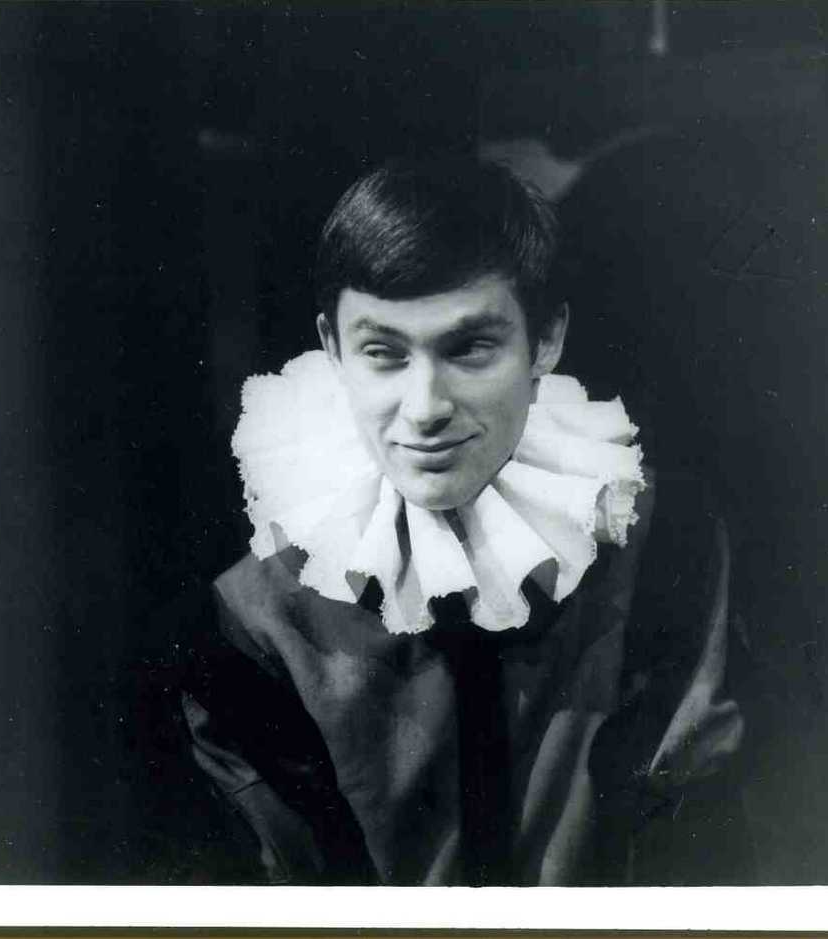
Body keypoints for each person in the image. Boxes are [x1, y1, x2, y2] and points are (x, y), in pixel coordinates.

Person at [172, 157, 751, 885]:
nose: (424, 409)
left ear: (545, 340)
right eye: (383, 353)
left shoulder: (664, 542)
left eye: (470, 348)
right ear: (332, 348)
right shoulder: (257, 621)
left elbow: (693, 843)